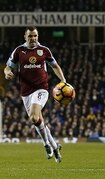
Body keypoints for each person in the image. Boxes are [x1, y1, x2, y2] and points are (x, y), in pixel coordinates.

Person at [4, 26, 65, 163]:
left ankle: (45, 145)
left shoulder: (44, 50)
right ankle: (55, 147)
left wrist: (63, 81)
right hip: (25, 92)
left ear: (38, 36)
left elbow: (54, 66)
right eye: (30, 36)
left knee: (33, 117)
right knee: (38, 120)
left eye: (35, 36)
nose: (33, 38)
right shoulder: (19, 51)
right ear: (25, 37)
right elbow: (8, 66)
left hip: (41, 89)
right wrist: (7, 72)